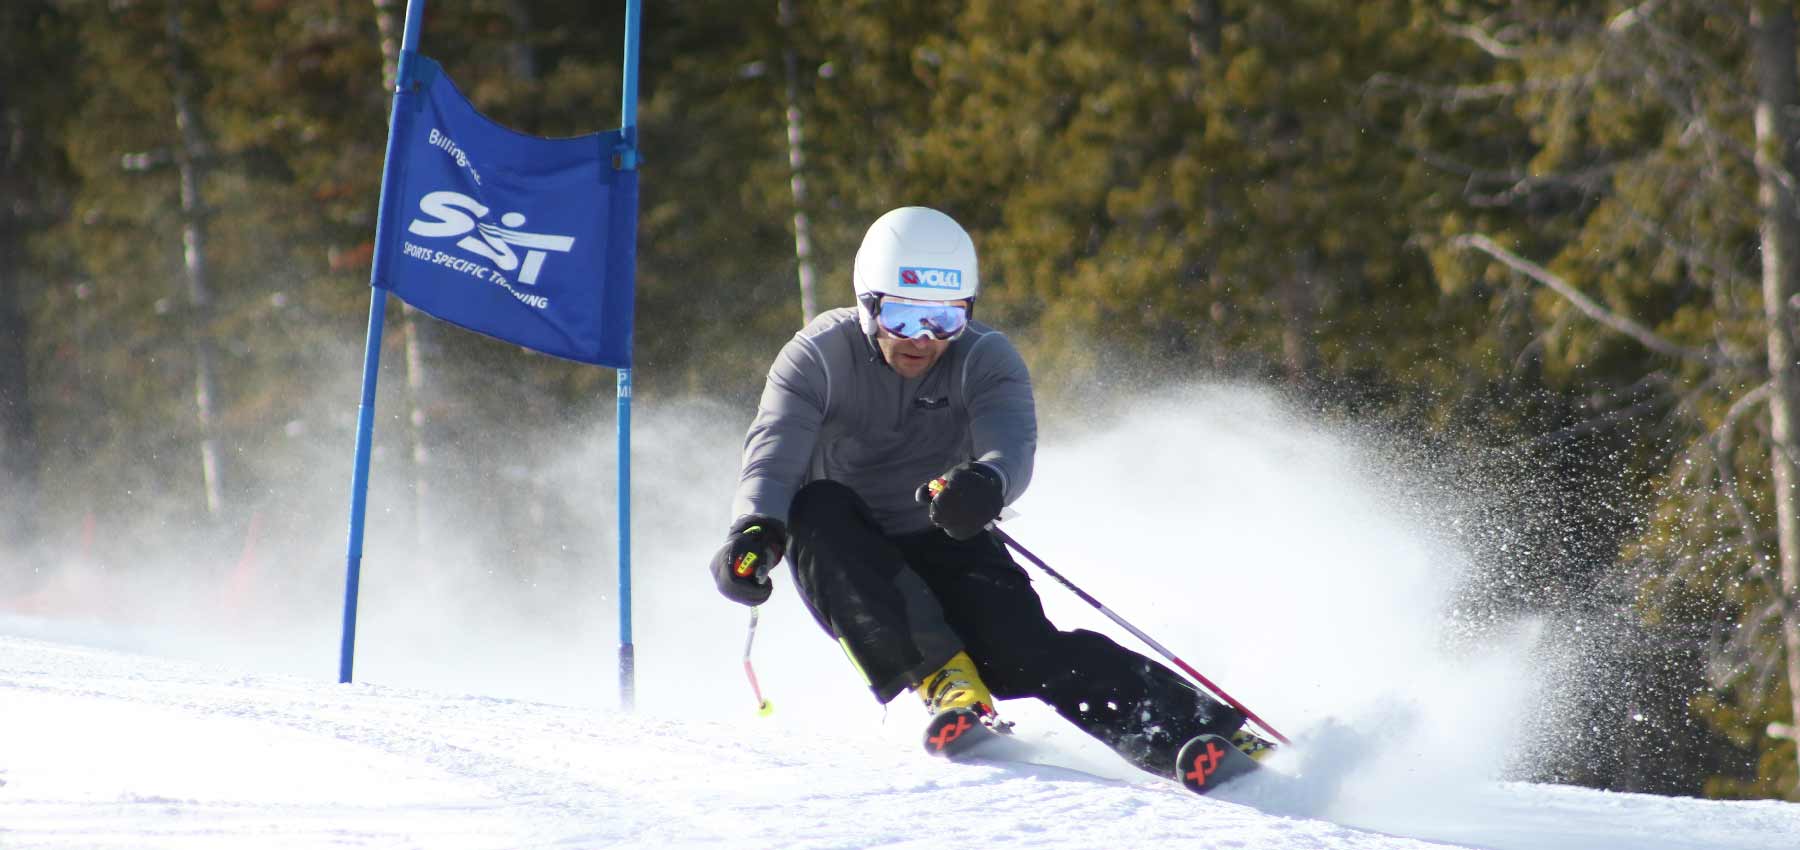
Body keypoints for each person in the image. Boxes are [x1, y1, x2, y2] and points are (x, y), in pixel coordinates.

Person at [707, 206, 1273, 779]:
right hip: (849, 556)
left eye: (944, 321)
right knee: (816, 507)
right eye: (902, 317)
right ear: (866, 304)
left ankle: (1201, 733)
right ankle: (947, 685)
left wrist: (985, 483)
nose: (922, 341)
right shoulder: (818, 358)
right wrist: (756, 529)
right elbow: (775, 448)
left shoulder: (984, 357)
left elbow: (1011, 445)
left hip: (945, 530)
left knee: (1025, 653)